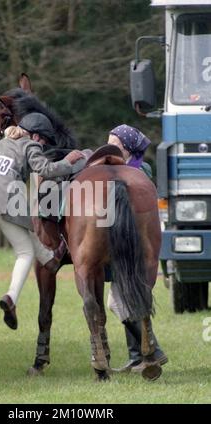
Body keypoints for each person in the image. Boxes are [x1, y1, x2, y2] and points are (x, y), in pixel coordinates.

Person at [0, 112, 85, 330]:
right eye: (44, 141)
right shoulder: (30, 145)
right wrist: (68, 162)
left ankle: (49, 260)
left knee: (26, 231)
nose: (44, 145)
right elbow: (45, 169)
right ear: (36, 136)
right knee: (25, 253)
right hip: (5, 198)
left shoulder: (0, 144)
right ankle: (11, 298)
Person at [106, 124, 168, 374]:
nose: (109, 147)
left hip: (135, 249)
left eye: (114, 143)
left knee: (116, 302)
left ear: (127, 148)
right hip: (128, 247)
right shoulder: (135, 169)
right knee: (127, 300)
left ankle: (153, 349)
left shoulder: (136, 172)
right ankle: (137, 356)